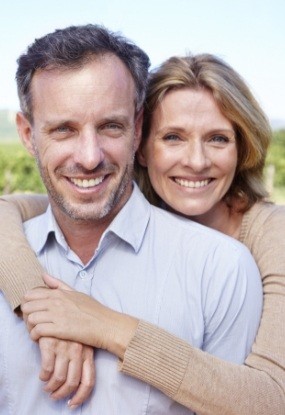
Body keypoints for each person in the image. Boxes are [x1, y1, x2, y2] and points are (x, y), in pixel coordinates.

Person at [0, 26, 262, 415]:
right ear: (27, 134)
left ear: (137, 128)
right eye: (64, 129)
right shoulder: (10, 253)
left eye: (110, 126)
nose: (89, 157)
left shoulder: (223, 269)